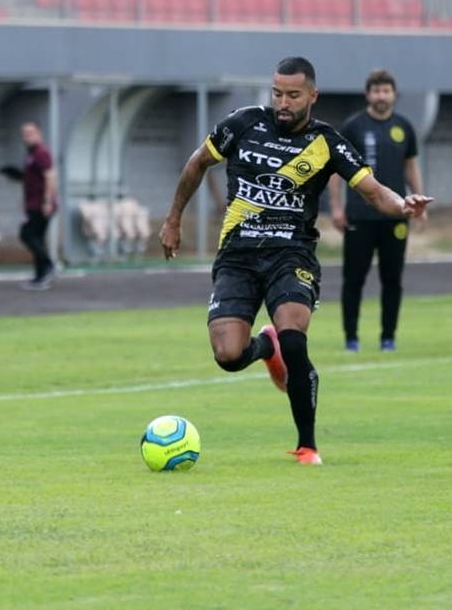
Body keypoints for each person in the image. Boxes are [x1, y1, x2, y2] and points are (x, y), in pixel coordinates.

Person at [159, 57, 433, 466]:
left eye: (292, 95)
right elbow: (197, 163)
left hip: (292, 254)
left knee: (294, 334)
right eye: (277, 93)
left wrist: (403, 203)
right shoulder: (243, 123)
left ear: (312, 96)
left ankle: (307, 445)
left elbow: (374, 192)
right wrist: (173, 219)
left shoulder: (328, 142)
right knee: (229, 356)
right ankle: (265, 346)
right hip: (237, 255)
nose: (282, 103)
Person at [328, 68, 426, 353]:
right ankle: (351, 339)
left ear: (394, 94)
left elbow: (410, 165)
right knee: (354, 279)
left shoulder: (404, 127)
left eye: (386, 90)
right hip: (359, 216)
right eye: (376, 91)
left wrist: (418, 202)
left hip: (396, 217)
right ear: (367, 94)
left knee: (392, 280)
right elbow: (336, 170)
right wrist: (336, 207)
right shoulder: (353, 126)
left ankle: (388, 338)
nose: (381, 96)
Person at [14, 121, 58, 290]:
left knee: (27, 235)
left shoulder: (41, 152)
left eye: (30, 133)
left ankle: (49, 265)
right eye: (24, 133)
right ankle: (40, 277)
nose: (27, 136)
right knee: (36, 238)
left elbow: (50, 176)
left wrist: (47, 201)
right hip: (32, 202)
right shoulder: (30, 154)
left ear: (39, 133)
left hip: (40, 204)